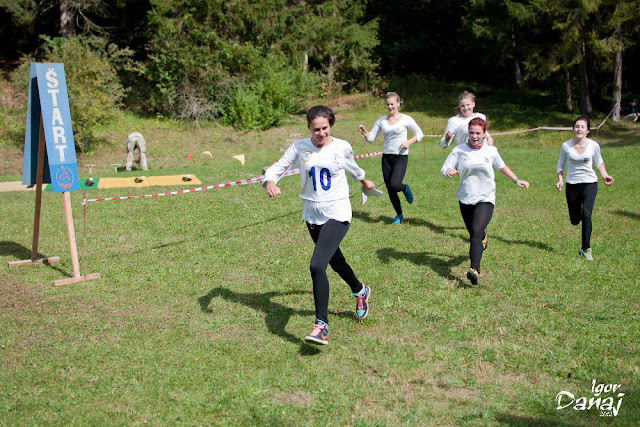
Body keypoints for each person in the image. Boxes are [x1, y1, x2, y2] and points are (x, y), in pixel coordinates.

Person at [263, 105, 375, 345]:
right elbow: (278, 167)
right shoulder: (299, 147)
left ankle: (321, 325)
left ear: (330, 125)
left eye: (325, 128)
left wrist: (364, 181)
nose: (321, 133)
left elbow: (352, 167)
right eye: (316, 129)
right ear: (309, 128)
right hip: (313, 214)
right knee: (335, 261)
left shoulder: (341, 146)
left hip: (338, 212)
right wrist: (270, 182)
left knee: (317, 265)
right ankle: (360, 290)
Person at [441, 117, 529, 285]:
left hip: (485, 197)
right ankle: (483, 236)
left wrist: (517, 180)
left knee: (475, 231)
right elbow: (444, 168)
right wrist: (448, 171)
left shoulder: (491, 151)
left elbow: (502, 166)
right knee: (474, 232)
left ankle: (474, 269)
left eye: (478, 133)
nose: (474, 136)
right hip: (465, 197)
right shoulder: (459, 150)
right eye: (471, 133)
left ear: (484, 134)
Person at [358, 92, 424, 224]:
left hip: (400, 157)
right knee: (390, 189)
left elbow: (420, 134)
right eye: (387, 104)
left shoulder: (406, 119)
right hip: (387, 158)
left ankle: (405, 188)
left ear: (398, 103)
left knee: (395, 184)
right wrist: (364, 132)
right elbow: (371, 138)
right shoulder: (381, 120)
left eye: (392, 104)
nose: (390, 107)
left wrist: (409, 142)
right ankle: (399, 214)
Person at [556, 116, 614, 261]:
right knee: (575, 220)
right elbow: (560, 164)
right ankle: (580, 211)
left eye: (582, 127)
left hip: (590, 183)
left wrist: (605, 175)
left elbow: (599, 161)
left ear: (587, 130)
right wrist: (560, 180)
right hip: (572, 185)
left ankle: (586, 249)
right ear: (573, 129)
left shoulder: (594, 145)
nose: (579, 129)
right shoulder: (566, 146)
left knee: (587, 215)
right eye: (577, 126)